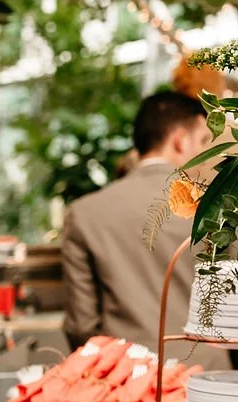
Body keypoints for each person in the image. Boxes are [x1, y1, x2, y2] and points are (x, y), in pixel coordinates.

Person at [61, 91, 223, 367]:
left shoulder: (84, 213)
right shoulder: (215, 208)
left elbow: (82, 325)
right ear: (180, 141)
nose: (207, 155)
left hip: (126, 376)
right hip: (206, 376)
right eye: (203, 141)